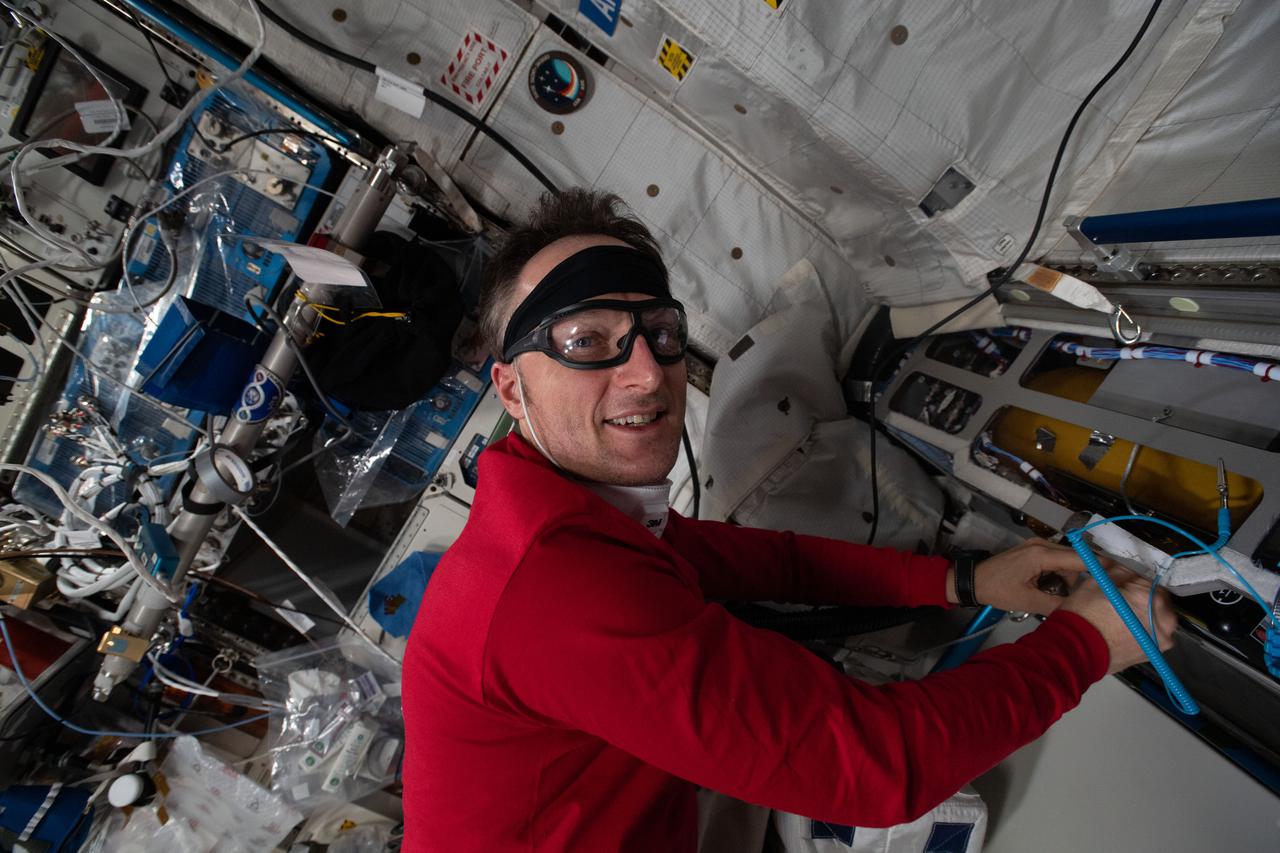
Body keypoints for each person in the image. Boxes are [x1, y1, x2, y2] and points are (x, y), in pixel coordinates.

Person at [400, 189, 1176, 852]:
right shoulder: (554, 585)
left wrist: (961, 577)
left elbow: (772, 562)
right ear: (510, 390)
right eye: (587, 342)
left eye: (659, 334)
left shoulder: (575, 518)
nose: (645, 372)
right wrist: (1084, 645)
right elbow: (880, 765)